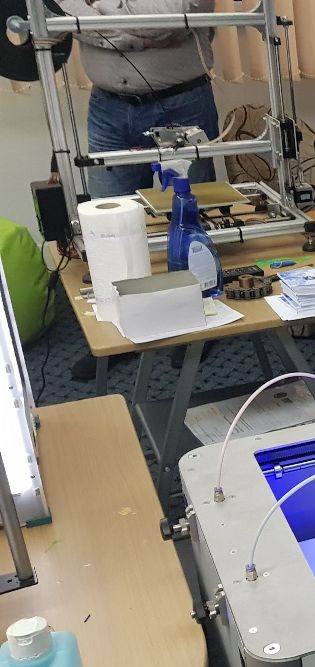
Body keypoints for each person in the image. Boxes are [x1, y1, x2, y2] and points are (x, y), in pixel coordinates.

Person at [55, 0, 219, 381]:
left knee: (190, 218)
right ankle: (119, 332)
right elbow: (66, 12)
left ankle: (200, 322)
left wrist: (102, 13)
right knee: (108, 228)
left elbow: (169, 15)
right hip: (108, 106)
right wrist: (131, 32)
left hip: (182, 101)